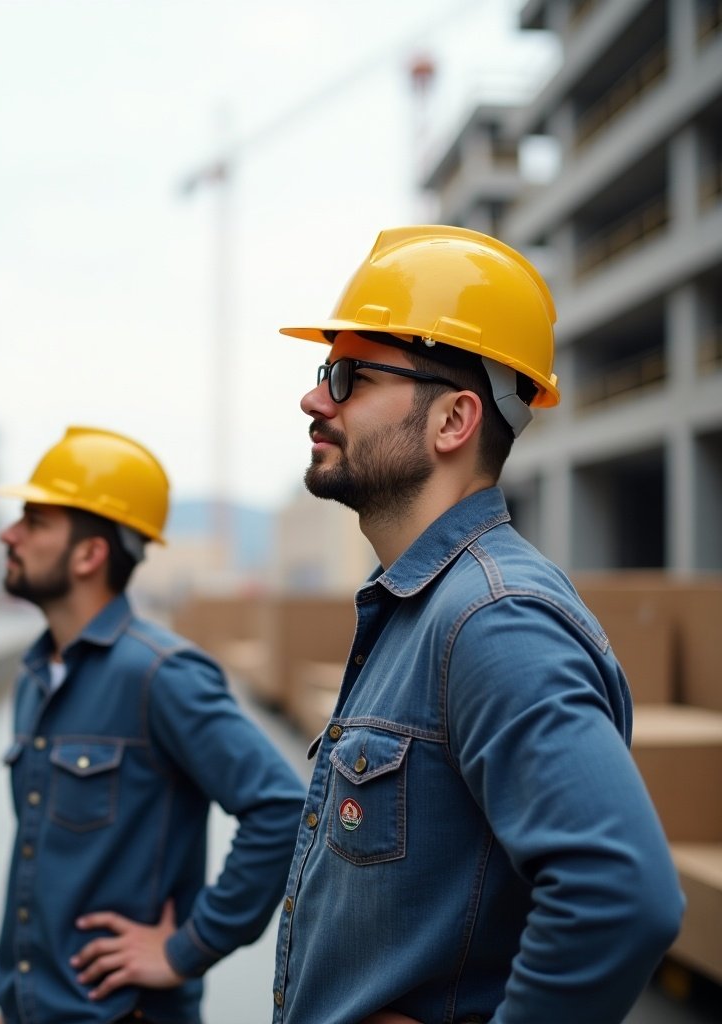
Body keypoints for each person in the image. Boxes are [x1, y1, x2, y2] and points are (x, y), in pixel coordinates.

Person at [270, 226, 685, 1024]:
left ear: (455, 420)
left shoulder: (494, 620)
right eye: (326, 371)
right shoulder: (419, 608)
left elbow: (620, 898)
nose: (315, 398)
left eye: (350, 375)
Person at [0, 425, 305, 1024]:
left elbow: (282, 808)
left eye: (33, 521)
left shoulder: (162, 675)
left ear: (90, 554)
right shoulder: (36, 673)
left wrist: (186, 950)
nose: (9, 534)